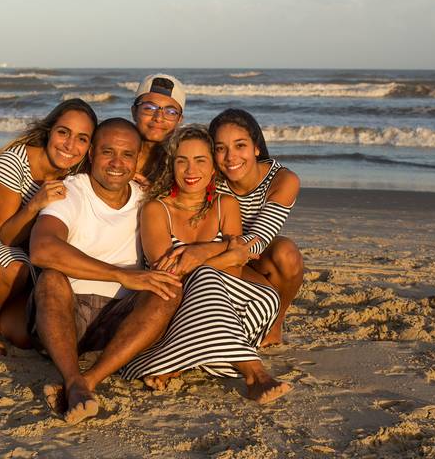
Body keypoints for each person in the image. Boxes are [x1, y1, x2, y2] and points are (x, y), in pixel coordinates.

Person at [120, 125, 292, 404]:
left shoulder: (226, 205)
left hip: (230, 305)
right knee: (206, 279)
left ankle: (180, 360)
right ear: (171, 165)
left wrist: (201, 254)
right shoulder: (156, 209)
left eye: (200, 160)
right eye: (182, 161)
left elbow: (236, 271)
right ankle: (255, 375)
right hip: (177, 307)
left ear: (213, 168)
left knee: (260, 294)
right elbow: (168, 274)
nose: (191, 170)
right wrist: (225, 255)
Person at [28, 118, 183, 425]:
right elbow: (42, 249)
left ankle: (87, 381)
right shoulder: (72, 192)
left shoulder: (146, 198)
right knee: (51, 278)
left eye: (127, 155)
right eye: (107, 152)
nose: (117, 163)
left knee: (167, 288)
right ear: (91, 154)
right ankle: (72, 377)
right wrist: (120, 274)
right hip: (65, 315)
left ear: (137, 160)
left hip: (122, 322)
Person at [0, 99, 97, 355]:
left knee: (24, 336)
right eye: (63, 132)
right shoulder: (13, 162)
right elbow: (7, 236)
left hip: (24, 252)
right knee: (11, 266)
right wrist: (35, 204)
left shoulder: (76, 171)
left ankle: (0, 302)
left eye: (82, 138)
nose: (70, 145)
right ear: (49, 131)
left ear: (89, 146)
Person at [209, 109, 304, 346]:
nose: (230, 157)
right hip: (221, 256)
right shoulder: (210, 178)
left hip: (253, 254)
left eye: (240, 145)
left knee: (286, 253)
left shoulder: (282, 180)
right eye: (221, 148)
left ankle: (276, 323)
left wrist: (205, 253)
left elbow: (260, 238)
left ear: (256, 147)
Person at [130, 73, 186, 186]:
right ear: (134, 112)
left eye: (170, 112)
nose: (159, 118)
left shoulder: (180, 164)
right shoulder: (114, 154)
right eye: (149, 108)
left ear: (179, 120)